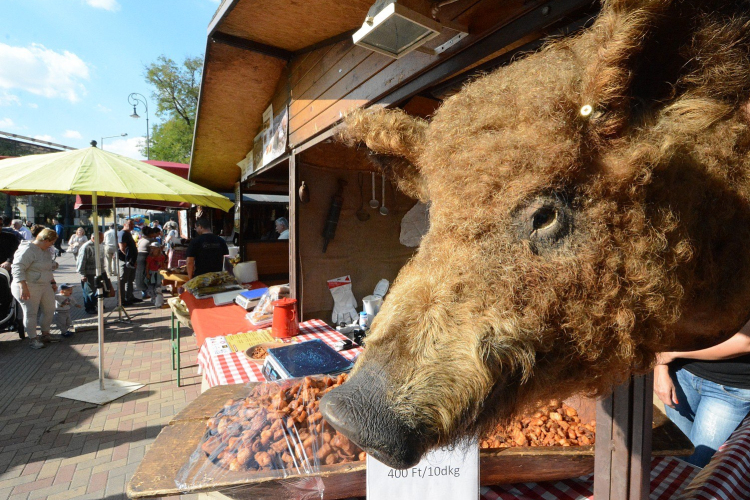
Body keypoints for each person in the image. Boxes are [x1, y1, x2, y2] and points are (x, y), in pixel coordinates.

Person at [654, 325, 750, 467]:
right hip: (680, 373)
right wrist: (660, 365)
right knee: (678, 456)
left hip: (730, 388)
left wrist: (669, 354)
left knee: (696, 467)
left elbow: (745, 342)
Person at [11, 228, 60, 349]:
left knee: (50, 309)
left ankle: (45, 334)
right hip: (28, 285)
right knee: (31, 312)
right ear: (45, 240)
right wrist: (23, 287)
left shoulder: (45, 250)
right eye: (51, 242)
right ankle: (33, 339)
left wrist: (52, 281)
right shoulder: (27, 249)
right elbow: (17, 268)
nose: (52, 245)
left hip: (44, 284)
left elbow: (47, 268)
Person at [76, 232, 105, 314]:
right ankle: (89, 307)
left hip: (98, 271)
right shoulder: (86, 246)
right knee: (89, 291)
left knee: (97, 289)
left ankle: (95, 303)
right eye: (100, 238)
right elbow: (81, 261)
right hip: (89, 272)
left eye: (102, 238)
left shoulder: (100, 245)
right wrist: (83, 274)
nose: (102, 240)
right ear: (93, 238)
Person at [118, 219, 141, 305]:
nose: (132, 226)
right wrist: (129, 260)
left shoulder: (128, 233)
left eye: (133, 225)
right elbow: (122, 248)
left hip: (131, 261)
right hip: (125, 261)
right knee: (123, 280)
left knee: (130, 280)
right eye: (130, 224)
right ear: (124, 224)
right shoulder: (122, 233)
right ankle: (122, 300)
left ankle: (130, 296)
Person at [145, 242, 166, 307]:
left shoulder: (161, 257)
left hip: (158, 273)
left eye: (154, 248)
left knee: (158, 286)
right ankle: (153, 297)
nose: (153, 250)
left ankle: (158, 298)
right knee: (151, 286)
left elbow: (162, 264)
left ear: (158, 249)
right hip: (152, 273)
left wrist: (163, 269)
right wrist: (147, 273)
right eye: (151, 248)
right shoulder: (149, 257)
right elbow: (147, 266)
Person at [135, 226, 153, 299]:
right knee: (147, 274)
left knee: (140, 275)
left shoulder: (141, 240)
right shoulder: (150, 240)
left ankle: (143, 292)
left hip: (139, 257)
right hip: (146, 258)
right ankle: (147, 292)